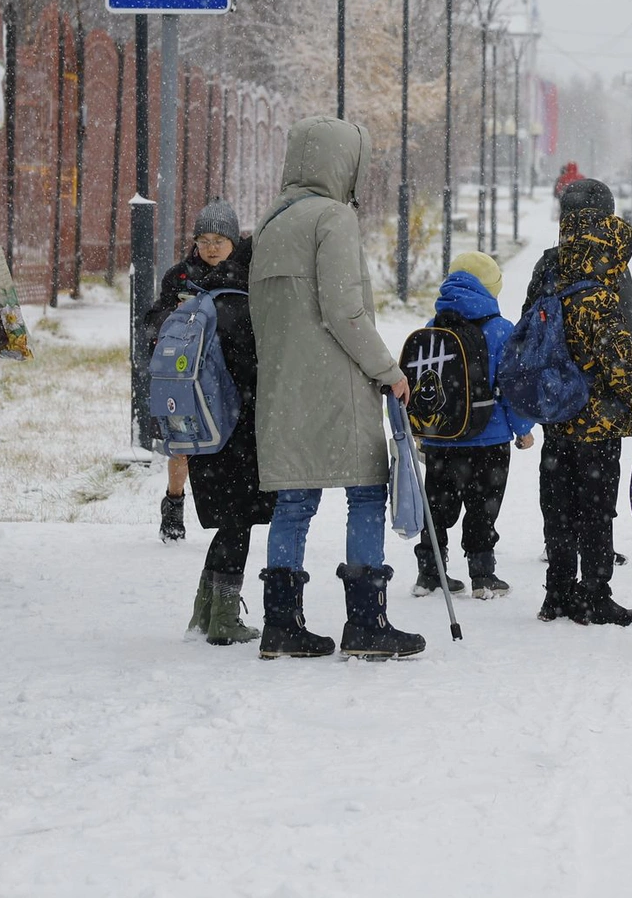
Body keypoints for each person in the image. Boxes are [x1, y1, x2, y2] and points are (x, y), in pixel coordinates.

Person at [249, 116, 422, 660]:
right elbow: (345, 312)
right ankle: (367, 623)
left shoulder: (271, 223)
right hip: (337, 388)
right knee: (367, 494)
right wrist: (389, 371)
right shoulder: (333, 218)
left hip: (283, 390)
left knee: (295, 500)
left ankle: (281, 624)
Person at [142, 201, 272, 643]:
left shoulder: (206, 297)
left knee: (230, 521)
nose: (212, 247)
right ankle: (223, 620)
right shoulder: (239, 299)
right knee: (239, 521)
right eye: (205, 240)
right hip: (235, 426)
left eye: (220, 240)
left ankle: (207, 609)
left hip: (199, 420)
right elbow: (251, 372)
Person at [529, 182, 632, 626]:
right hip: (599, 416)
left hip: (557, 408)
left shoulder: (549, 264)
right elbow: (625, 340)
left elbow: (530, 327)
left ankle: (557, 592)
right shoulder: (610, 270)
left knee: (557, 503)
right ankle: (595, 594)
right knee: (596, 506)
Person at [410, 250, 533, 601]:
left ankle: (430, 573)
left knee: (437, 507)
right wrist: (522, 428)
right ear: (491, 288)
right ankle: (483, 576)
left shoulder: (433, 328)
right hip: (488, 439)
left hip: (441, 437)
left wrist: (422, 431)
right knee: (483, 507)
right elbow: (512, 387)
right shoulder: (502, 330)